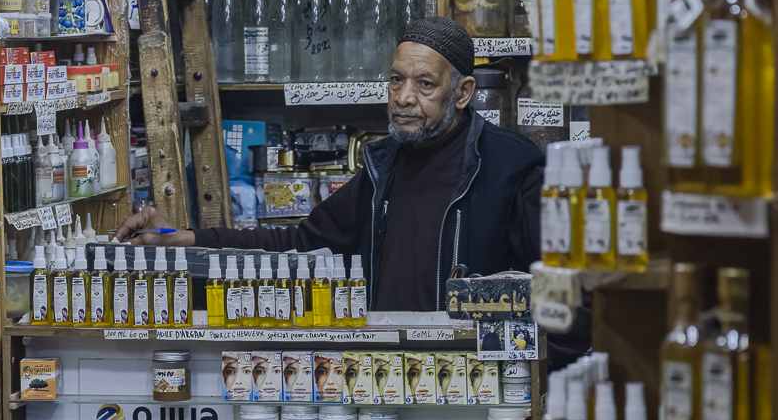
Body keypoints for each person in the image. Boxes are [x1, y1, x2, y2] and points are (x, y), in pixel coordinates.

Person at [115, 17, 542, 310]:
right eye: (396, 80)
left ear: (463, 92)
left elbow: (563, 290)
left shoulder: (511, 167)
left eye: (425, 84)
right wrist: (181, 238)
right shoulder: (382, 169)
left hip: (483, 384)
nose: (405, 97)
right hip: (393, 378)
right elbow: (299, 243)